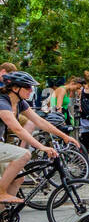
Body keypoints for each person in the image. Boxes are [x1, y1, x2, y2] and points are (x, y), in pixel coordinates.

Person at [0, 71, 78, 210]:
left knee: (18, 178)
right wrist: (42, 147)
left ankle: (3, 217)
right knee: (24, 154)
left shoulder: (20, 103)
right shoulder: (2, 102)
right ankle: (1, 193)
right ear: (15, 88)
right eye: (28, 87)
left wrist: (65, 137)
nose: (31, 90)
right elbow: (18, 130)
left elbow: (39, 121)